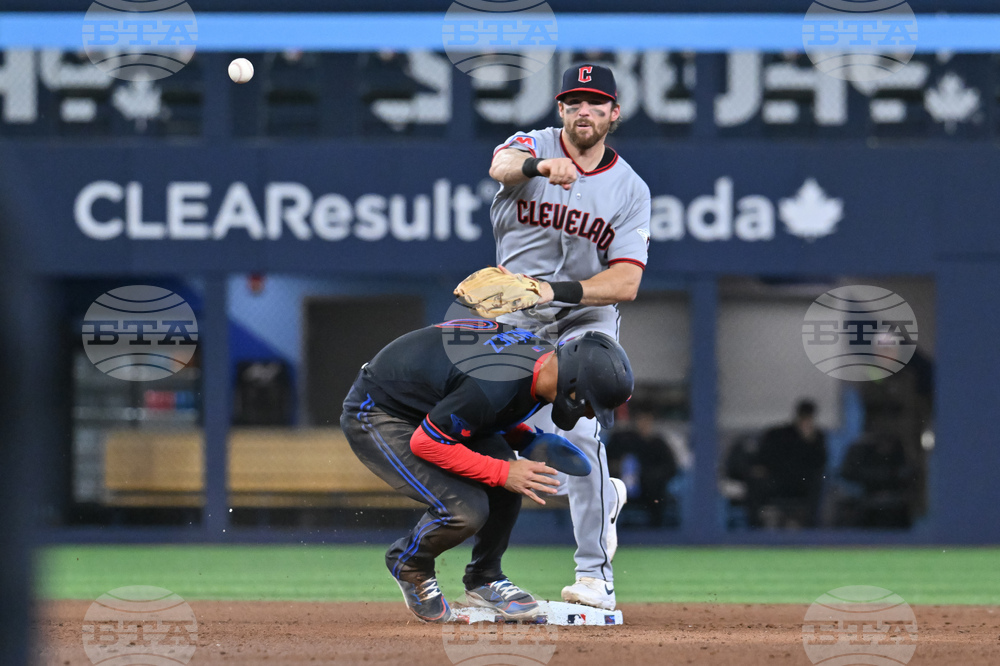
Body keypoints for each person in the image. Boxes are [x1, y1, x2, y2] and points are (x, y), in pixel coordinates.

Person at [487, 63, 651, 610]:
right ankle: (486, 573)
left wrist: (554, 291)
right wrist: (537, 165)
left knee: (581, 436)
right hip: (513, 312)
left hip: (582, 315)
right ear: (561, 109)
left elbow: (625, 281)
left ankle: (594, 576)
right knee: (488, 429)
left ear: (614, 113)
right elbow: (500, 165)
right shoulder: (531, 144)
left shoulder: (630, 189)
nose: (585, 110)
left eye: (596, 102)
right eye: (575, 101)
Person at [340, 321, 634, 623]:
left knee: (509, 488)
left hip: (433, 409)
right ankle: (410, 562)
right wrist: (503, 471)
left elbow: (476, 408)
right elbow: (427, 441)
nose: (588, 413)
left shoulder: (542, 366)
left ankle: (485, 577)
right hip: (381, 413)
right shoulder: (496, 382)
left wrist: (525, 439)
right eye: (590, 405)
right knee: (464, 510)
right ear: (574, 383)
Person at [748, 400, 828, 528]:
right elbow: (765, 458)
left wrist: (809, 442)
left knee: (819, 482)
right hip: (776, 480)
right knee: (756, 481)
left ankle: (812, 527)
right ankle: (755, 526)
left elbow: (820, 463)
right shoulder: (779, 435)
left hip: (801, 483)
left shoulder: (817, 437)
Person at [607, 409, 679, 528]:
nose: (643, 424)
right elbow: (606, 462)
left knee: (658, 496)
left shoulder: (658, 444)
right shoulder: (622, 441)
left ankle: (655, 533)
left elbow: (671, 468)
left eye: (647, 420)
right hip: (622, 488)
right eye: (640, 420)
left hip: (649, 490)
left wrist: (649, 476)